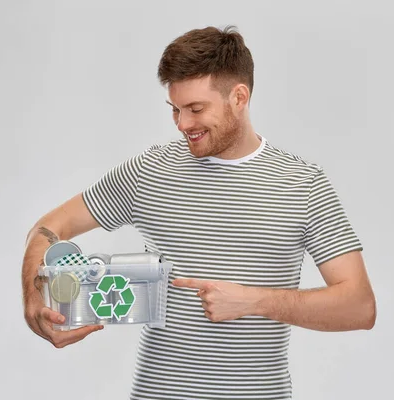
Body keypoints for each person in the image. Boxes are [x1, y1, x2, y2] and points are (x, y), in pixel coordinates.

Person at [22, 25, 376, 400]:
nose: (182, 124)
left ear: (239, 97)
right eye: (175, 109)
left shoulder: (303, 184)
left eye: (195, 109)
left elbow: (359, 306)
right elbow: (49, 227)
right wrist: (32, 297)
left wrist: (255, 300)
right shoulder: (149, 171)